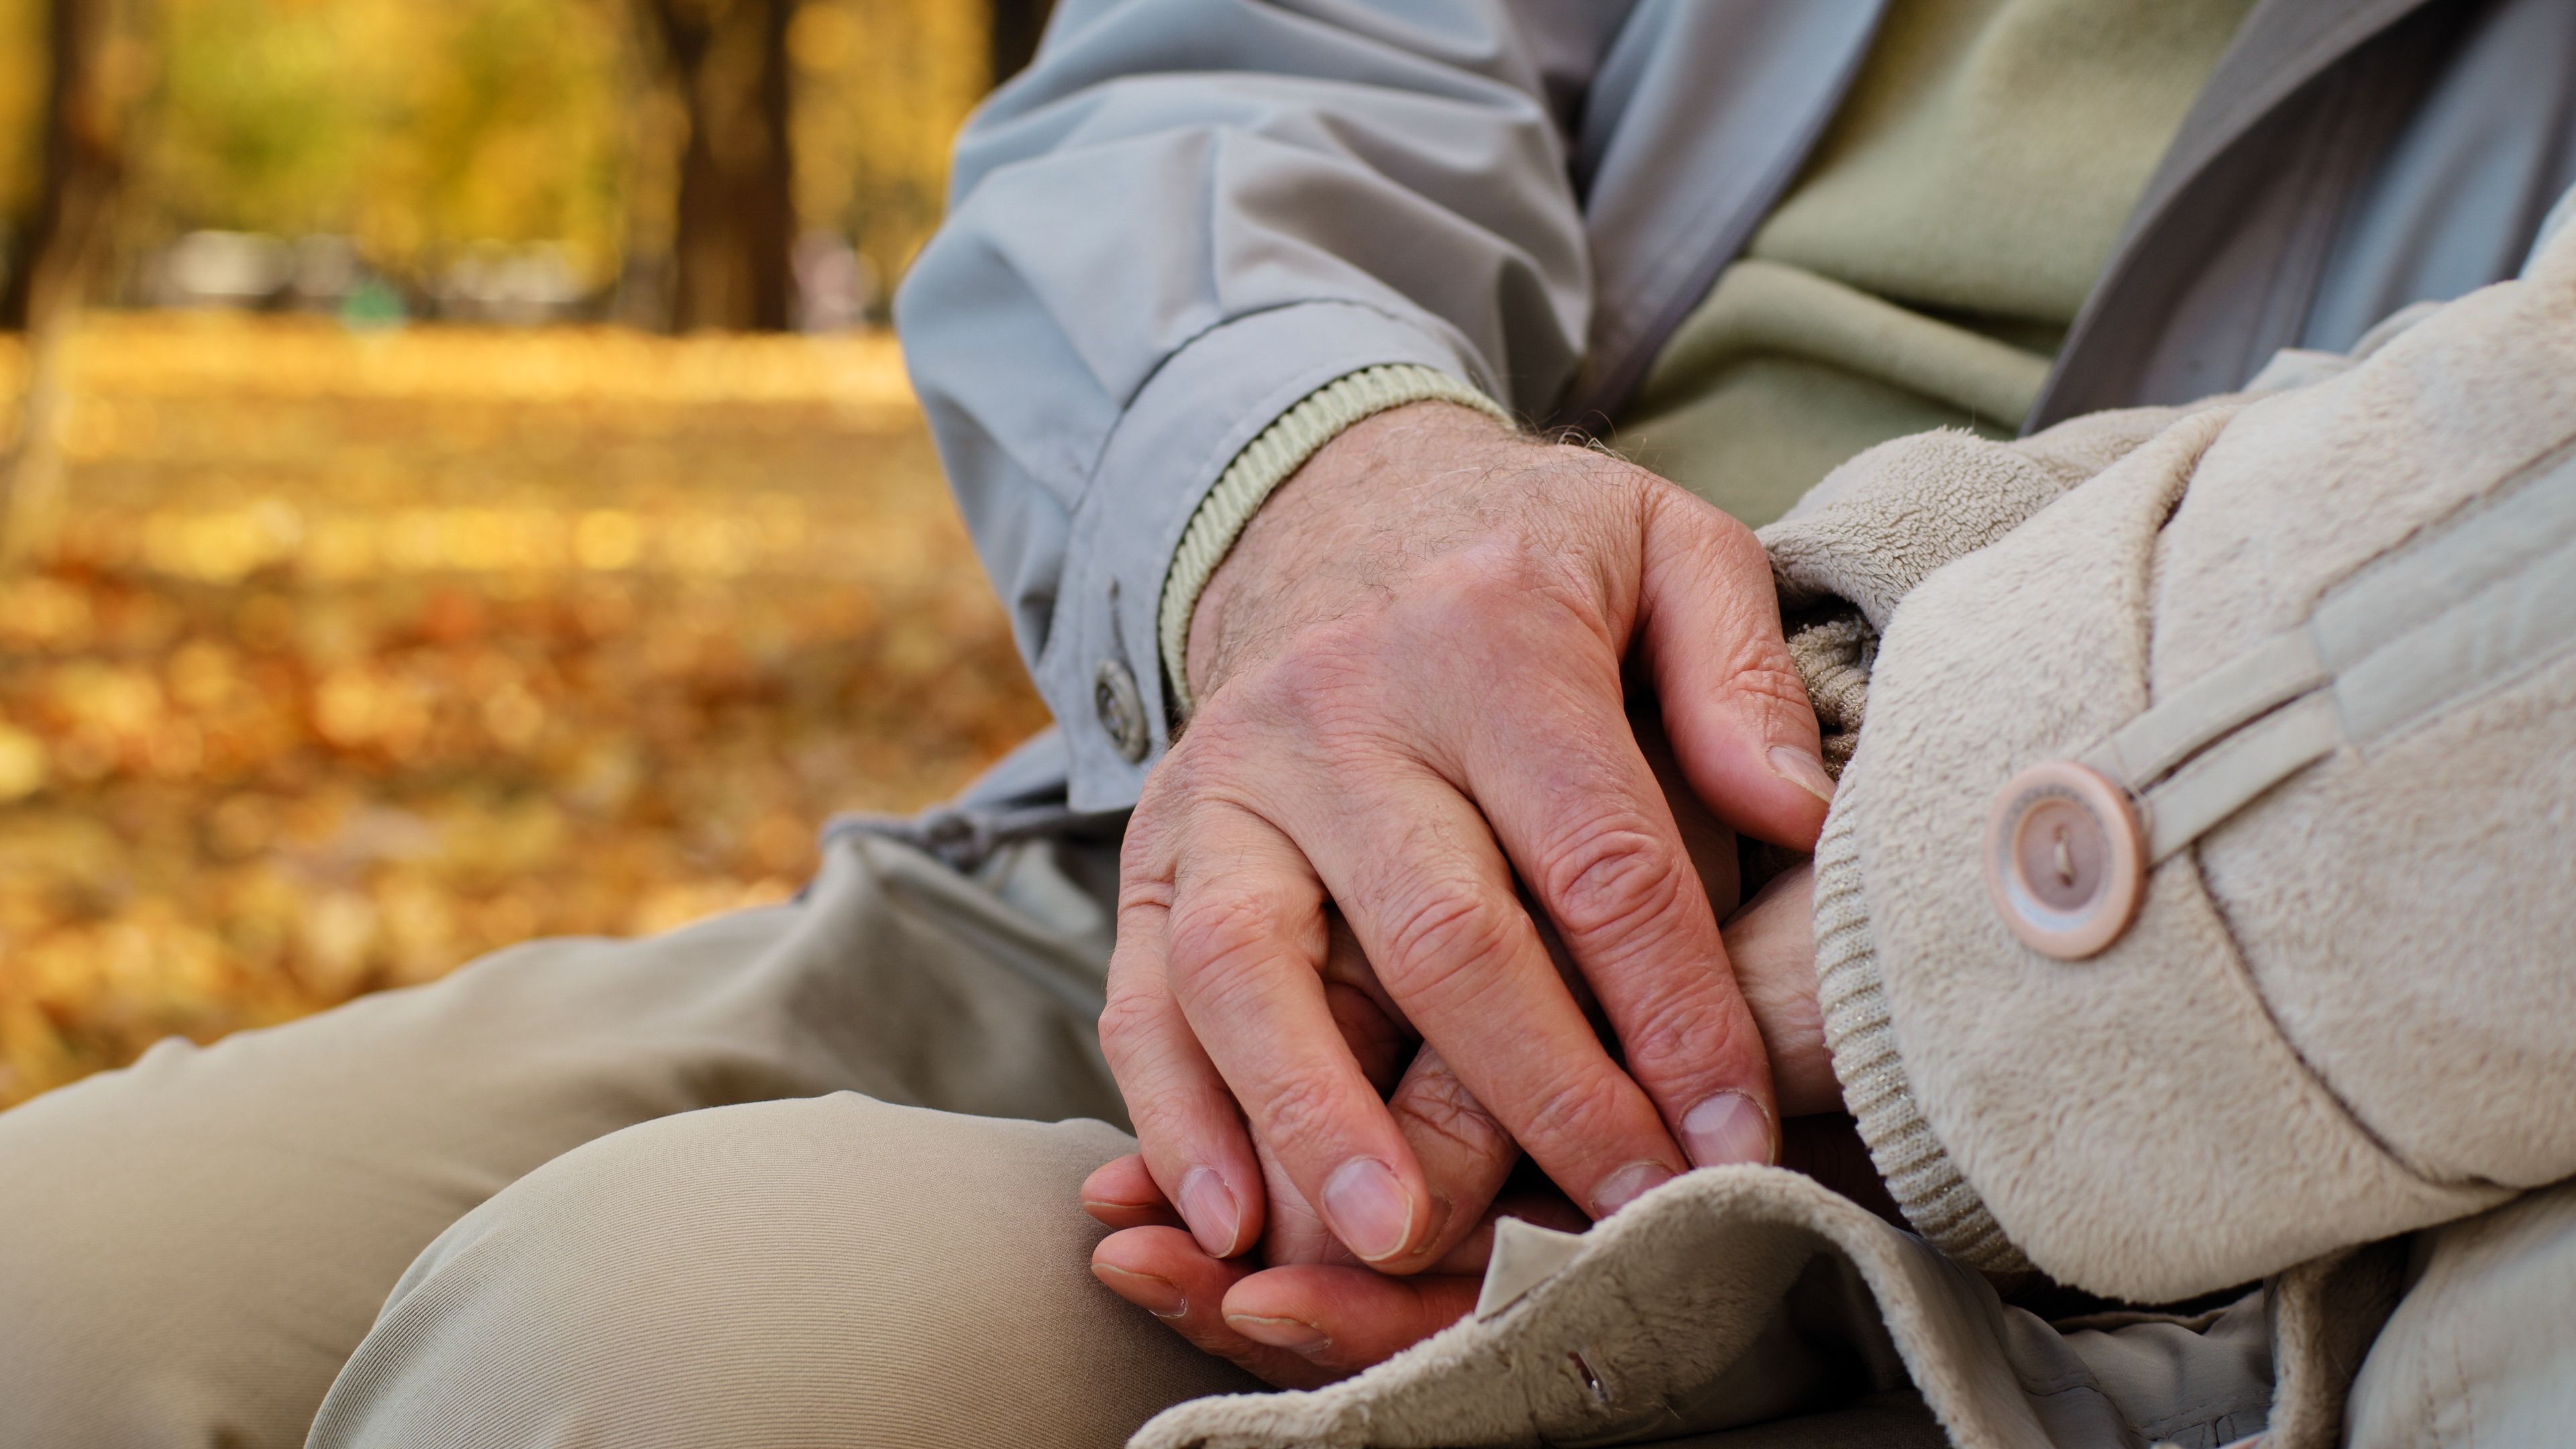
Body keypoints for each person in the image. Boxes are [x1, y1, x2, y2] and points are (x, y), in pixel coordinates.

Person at [4, 1, 2572, 1446]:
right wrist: (1319, 497)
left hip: (2120, 1173)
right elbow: (1224, 66)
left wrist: (1812, 1003)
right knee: (53, 1291)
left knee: (660, 1364)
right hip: (1224, 826)